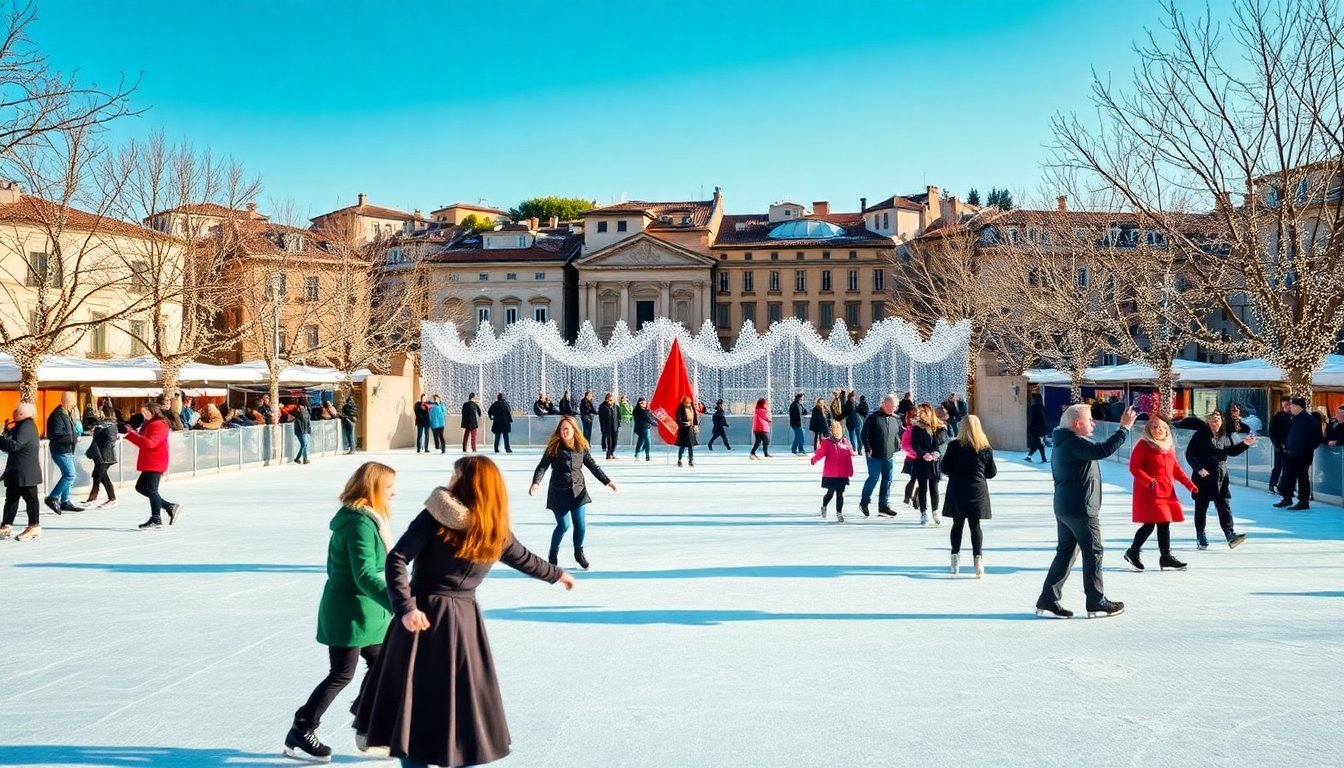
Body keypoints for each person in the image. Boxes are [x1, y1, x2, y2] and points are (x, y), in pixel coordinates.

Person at [354, 455, 576, 768]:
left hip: (450, 621)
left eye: (455, 475)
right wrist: (404, 607)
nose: (450, 480)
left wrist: (556, 574)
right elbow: (397, 559)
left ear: (469, 484)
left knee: (452, 707)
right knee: (417, 707)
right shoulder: (438, 517)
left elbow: (524, 558)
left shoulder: (490, 530)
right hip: (426, 619)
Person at [284, 462, 397, 762]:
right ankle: (302, 727)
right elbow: (364, 574)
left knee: (382, 664)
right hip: (349, 611)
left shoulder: (370, 519)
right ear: (372, 489)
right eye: (388, 488)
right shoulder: (359, 523)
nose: (393, 494)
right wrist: (398, 602)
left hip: (367, 612)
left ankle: (366, 723)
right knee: (341, 673)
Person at [1036, 403, 1137, 619]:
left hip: (1066, 507)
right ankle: (1096, 599)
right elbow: (1102, 450)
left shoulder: (1064, 441)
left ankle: (1048, 597)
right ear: (1076, 423)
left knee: (1066, 552)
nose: (1094, 423)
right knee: (1094, 552)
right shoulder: (1073, 442)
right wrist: (1124, 429)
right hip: (1081, 509)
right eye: (1089, 419)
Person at [531, 416, 614, 569]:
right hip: (559, 492)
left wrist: (606, 481)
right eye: (563, 429)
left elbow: (593, 466)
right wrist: (536, 482)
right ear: (559, 431)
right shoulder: (553, 447)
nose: (565, 432)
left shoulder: (581, 446)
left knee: (580, 525)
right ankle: (552, 553)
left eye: (568, 429)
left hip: (578, 491)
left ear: (574, 430)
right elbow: (542, 466)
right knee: (563, 526)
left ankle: (578, 552)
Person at [1124, 415, 1197, 572]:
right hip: (1149, 491)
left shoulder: (1167, 446)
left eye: (1163, 427)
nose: (1160, 430)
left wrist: (1189, 485)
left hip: (1166, 490)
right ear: (1149, 430)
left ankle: (1163, 556)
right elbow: (1134, 467)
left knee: (1163, 522)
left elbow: (1175, 468)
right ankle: (1136, 552)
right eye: (1156, 427)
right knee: (1154, 522)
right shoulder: (1143, 445)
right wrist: (1149, 481)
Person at [1186, 411, 1255, 550]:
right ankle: (1201, 535)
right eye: (1211, 420)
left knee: (1224, 505)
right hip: (1203, 476)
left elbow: (1231, 451)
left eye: (1217, 420)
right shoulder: (1200, 435)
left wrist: (1245, 444)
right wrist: (1199, 468)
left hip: (1221, 476)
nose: (1214, 423)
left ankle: (1230, 534)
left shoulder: (1225, 435)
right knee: (1201, 507)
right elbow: (1190, 454)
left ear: (1222, 421)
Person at [941, 414, 997, 578]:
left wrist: (955, 472)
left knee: (957, 524)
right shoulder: (985, 448)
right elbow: (991, 472)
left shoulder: (954, 446)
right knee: (975, 525)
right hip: (977, 489)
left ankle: (955, 558)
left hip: (957, 488)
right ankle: (978, 559)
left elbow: (944, 467)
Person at [123, 402, 182, 530]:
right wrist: (132, 434)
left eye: (146, 412)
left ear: (153, 412)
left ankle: (156, 518)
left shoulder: (159, 425)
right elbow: (144, 443)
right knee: (141, 487)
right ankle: (168, 506)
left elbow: (150, 443)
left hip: (155, 461)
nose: (143, 415)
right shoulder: (149, 424)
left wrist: (132, 435)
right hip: (150, 461)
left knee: (152, 490)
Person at [0, 403, 42, 541]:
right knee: (11, 498)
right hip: (17, 470)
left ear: (23, 414)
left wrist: (1, 437)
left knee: (30, 498)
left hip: (25, 471)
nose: (13, 414)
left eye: (16, 412)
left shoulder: (27, 426)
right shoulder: (21, 425)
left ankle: (34, 526)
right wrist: (5, 433)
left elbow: (15, 445)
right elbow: (11, 443)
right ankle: (6, 525)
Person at [859, 393, 900, 518]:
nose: (895, 408)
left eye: (896, 406)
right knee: (874, 478)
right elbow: (863, 434)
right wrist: (868, 447)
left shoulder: (894, 419)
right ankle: (864, 502)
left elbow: (895, 435)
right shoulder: (873, 417)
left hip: (889, 455)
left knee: (887, 480)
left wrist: (896, 447)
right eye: (894, 406)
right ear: (885, 404)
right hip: (874, 455)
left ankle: (883, 506)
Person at [1275, 397, 1321, 510]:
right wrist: (1285, 443)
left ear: (1298, 407)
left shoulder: (1308, 419)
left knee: (1302, 477)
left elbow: (1316, 438)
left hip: (1303, 455)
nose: (1290, 407)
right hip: (1290, 453)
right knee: (1288, 477)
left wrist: (1306, 449)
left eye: (1292, 406)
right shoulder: (1293, 418)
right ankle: (1287, 498)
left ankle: (1303, 501)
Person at [910, 403, 947, 526]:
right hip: (922, 462)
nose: (919, 414)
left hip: (935, 462)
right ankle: (923, 513)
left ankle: (935, 511)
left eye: (922, 412)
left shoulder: (938, 427)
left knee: (934, 488)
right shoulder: (917, 427)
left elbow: (942, 444)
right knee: (922, 488)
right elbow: (915, 445)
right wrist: (923, 454)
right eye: (919, 412)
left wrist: (936, 452)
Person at [45, 392, 81, 514]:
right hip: (60, 450)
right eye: (72, 401)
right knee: (70, 475)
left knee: (69, 474)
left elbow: (70, 432)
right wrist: (73, 438)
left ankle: (65, 501)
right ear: (66, 401)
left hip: (68, 449)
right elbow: (55, 434)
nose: (74, 404)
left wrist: (75, 437)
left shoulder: (67, 414)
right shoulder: (57, 416)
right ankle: (53, 497)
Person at [811, 421, 854, 523]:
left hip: (842, 473)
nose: (836, 434)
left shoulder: (845, 442)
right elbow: (820, 452)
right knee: (830, 492)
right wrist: (814, 459)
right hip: (831, 473)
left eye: (838, 431)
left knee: (840, 493)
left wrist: (850, 470)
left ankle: (839, 513)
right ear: (831, 432)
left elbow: (850, 454)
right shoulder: (826, 442)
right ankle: (824, 505)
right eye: (834, 432)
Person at [84, 405, 120, 509]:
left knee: (97, 476)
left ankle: (92, 499)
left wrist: (99, 430)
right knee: (102, 477)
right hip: (101, 455)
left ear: (104, 413)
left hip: (105, 456)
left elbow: (109, 441)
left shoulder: (109, 426)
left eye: (100, 412)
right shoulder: (101, 425)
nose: (98, 414)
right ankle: (111, 498)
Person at [675, 396, 699, 467]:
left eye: (689, 403)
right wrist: (684, 423)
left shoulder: (691, 408)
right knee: (682, 446)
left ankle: (691, 461)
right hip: (683, 430)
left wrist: (695, 425)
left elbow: (695, 418)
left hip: (690, 430)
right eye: (686, 403)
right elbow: (678, 419)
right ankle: (679, 460)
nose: (688, 405)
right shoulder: (680, 408)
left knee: (690, 446)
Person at [1026, 393, 1048, 463]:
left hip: (1036, 428)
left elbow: (1034, 418)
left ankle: (1029, 456)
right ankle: (1043, 458)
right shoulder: (1042, 407)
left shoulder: (1034, 407)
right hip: (1041, 428)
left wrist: (1031, 426)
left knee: (1036, 442)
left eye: (1032, 399)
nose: (1031, 400)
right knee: (1039, 443)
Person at [597, 392, 620, 460]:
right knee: (609, 441)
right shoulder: (602, 407)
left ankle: (612, 453)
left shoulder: (616, 406)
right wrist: (602, 427)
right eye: (609, 400)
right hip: (607, 426)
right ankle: (608, 454)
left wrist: (618, 424)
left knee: (615, 441)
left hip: (615, 426)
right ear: (606, 399)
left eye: (612, 400)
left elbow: (618, 416)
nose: (611, 401)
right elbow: (601, 418)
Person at [292, 395, 313, 465]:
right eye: (305, 399)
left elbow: (307, 420)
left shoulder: (305, 409)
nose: (306, 400)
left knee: (304, 444)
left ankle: (298, 458)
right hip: (300, 430)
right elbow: (297, 419)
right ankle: (304, 459)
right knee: (304, 444)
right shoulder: (297, 409)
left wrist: (309, 429)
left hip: (304, 429)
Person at [631, 397, 654, 461]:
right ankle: (646, 455)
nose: (644, 404)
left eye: (644, 403)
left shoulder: (644, 410)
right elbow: (648, 418)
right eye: (642, 403)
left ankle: (638, 454)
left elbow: (650, 417)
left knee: (641, 441)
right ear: (639, 403)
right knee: (647, 441)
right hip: (643, 427)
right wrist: (654, 423)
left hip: (644, 427)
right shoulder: (639, 410)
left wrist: (647, 409)